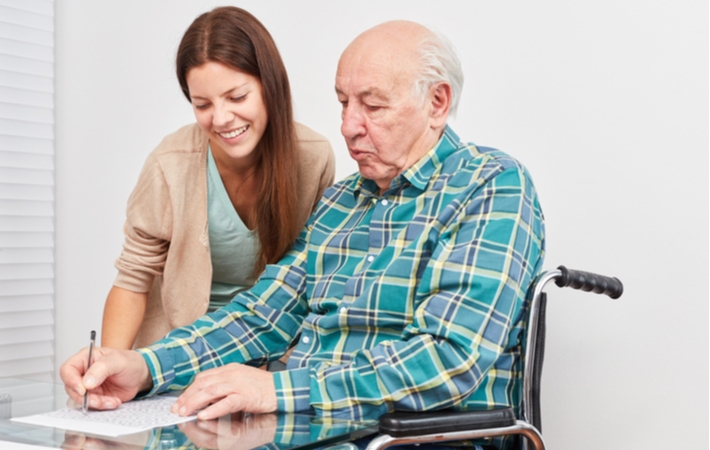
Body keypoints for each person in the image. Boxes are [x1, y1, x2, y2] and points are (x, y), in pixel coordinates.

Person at [62, 19, 545, 441]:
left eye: (372, 107)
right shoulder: (340, 201)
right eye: (342, 103)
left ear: (437, 102)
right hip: (304, 430)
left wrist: (278, 388)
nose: (348, 126)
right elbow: (262, 315)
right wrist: (145, 366)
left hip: (405, 438)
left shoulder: (491, 186)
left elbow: (449, 358)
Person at [100, 6, 336, 350]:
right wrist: (111, 363)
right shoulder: (170, 163)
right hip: (176, 354)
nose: (222, 118)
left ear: (270, 86)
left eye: (237, 97)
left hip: (271, 354)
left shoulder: (313, 158)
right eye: (202, 104)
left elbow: (317, 276)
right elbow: (133, 278)